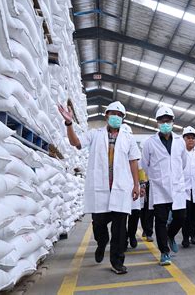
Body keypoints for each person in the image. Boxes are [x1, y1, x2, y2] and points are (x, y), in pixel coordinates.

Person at [58, 101, 140, 274]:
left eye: (119, 115)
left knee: (119, 229)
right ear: (106, 116)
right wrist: (69, 123)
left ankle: (117, 262)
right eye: (113, 114)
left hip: (121, 189)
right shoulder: (95, 134)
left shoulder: (128, 139)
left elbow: (133, 162)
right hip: (100, 189)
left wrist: (136, 185)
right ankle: (102, 243)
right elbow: (75, 142)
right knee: (99, 225)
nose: (116, 117)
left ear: (123, 119)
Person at [141, 106, 187, 266]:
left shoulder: (180, 141)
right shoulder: (149, 143)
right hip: (159, 187)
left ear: (173, 122)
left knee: (181, 217)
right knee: (160, 220)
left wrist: (173, 176)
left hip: (177, 186)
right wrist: (158, 177)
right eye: (162, 121)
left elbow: (183, 162)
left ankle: (170, 235)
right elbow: (144, 164)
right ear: (157, 122)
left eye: (168, 121)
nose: (165, 123)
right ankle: (164, 252)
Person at [139, 168, 154, 242]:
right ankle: (145, 228)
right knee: (142, 210)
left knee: (149, 209)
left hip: (150, 182)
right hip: (139, 181)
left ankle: (149, 232)